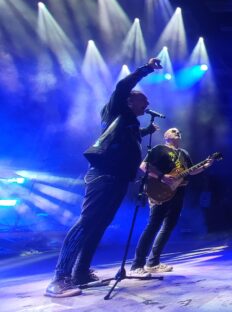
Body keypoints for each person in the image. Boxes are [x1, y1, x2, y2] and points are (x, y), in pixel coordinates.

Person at [45, 58, 162, 297]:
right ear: (130, 101)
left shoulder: (127, 124)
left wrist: (145, 132)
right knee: (88, 222)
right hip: (103, 177)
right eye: (143, 101)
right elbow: (121, 87)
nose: (147, 105)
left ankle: (81, 272)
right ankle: (59, 278)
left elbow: (122, 140)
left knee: (100, 225)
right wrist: (146, 69)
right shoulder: (116, 109)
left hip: (118, 179)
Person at [129, 128, 214, 275]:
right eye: (173, 130)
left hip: (178, 191)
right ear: (166, 136)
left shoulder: (184, 153)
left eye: (179, 131)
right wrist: (162, 176)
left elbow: (190, 171)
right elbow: (144, 166)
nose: (177, 131)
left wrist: (206, 165)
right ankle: (137, 265)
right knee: (153, 225)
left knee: (168, 227)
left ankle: (153, 262)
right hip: (160, 190)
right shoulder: (159, 149)